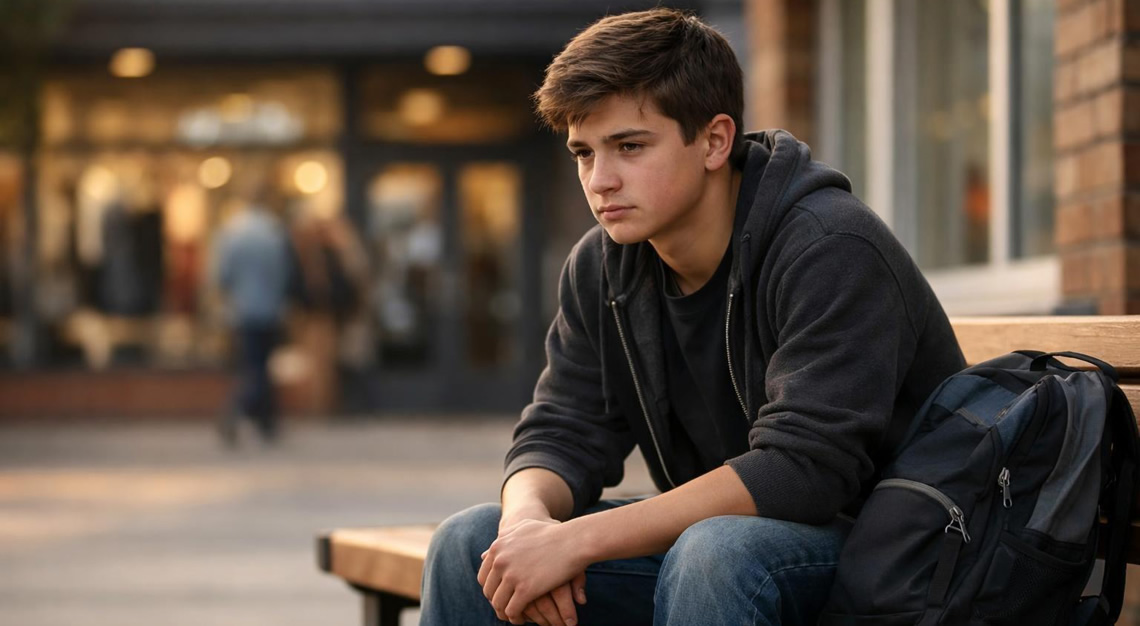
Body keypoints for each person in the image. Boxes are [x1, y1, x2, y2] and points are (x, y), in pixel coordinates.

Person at [420, 8, 965, 626]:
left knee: (717, 550)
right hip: (727, 552)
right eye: (583, 153)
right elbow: (562, 429)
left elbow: (805, 471)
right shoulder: (604, 265)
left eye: (629, 146)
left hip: (889, 551)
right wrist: (526, 528)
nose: (600, 180)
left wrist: (576, 541)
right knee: (472, 544)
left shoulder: (828, 246)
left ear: (713, 141)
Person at [213, 195, 292, 445]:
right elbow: (285, 274)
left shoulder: (234, 234)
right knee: (262, 367)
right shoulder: (274, 234)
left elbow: (222, 276)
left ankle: (253, 417)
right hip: (271, 309)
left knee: (254, 366)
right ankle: (255, 418)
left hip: (244, 310)